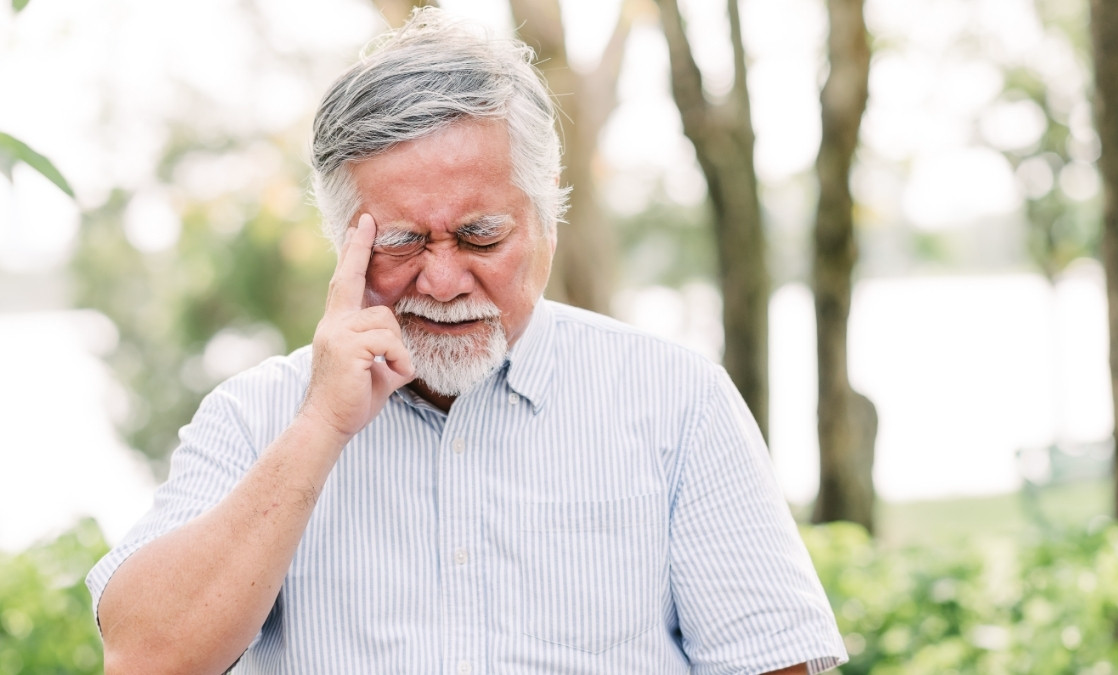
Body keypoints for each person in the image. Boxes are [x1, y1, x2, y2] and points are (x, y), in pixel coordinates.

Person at [86, 7, 848, 674]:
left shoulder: (676, 399)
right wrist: (320, 425)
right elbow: (148, 657)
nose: (444, 281)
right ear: (341, 242)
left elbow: (770, 664)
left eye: (481, 237)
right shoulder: (255, 416)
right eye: (402, 241)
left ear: (548, 219)